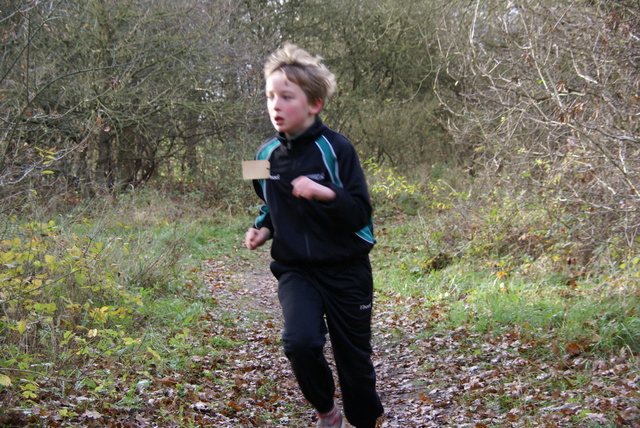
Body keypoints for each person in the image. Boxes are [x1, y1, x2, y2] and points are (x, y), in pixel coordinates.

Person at [244, 44, 384, 428]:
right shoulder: (260, 155)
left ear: (314, 104)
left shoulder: (337, 149)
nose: (276, 105)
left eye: (287, 97)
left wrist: (326, 193)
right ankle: (327, 412)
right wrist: (263, 228)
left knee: (354, 360)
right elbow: (266, 201)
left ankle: (364, 421)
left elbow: (360, 213)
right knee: (299, 343)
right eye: (271, 96)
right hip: (295, 270)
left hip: (346, 269)